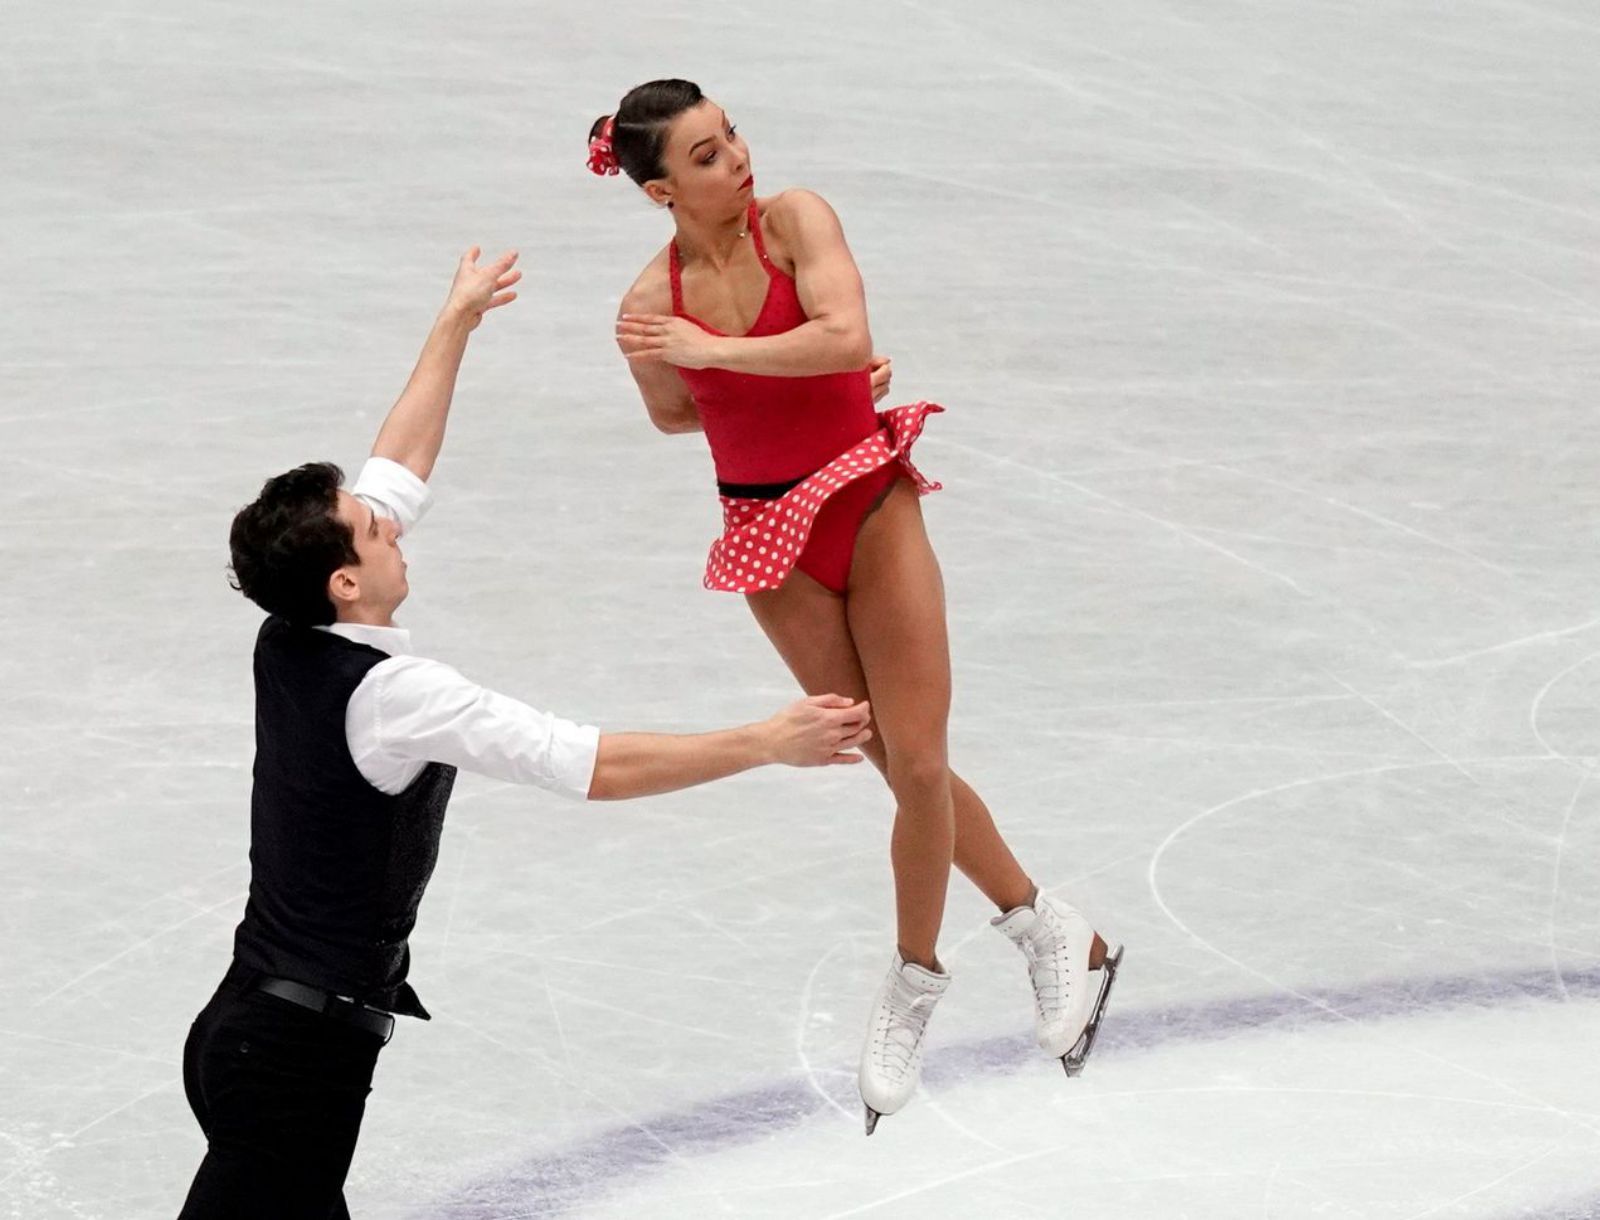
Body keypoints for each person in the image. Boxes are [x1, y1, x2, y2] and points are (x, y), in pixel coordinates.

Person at [179, 247, 874, 1218]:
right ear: (345, 581)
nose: (392, 526)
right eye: (372, 532)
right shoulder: (398, 696)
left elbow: (398, 464)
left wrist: (456, 319)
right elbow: (587, 762)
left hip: (259, 1031)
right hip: (292, 1061)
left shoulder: (290, 630)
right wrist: (764, 740)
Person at [591, 80, 1123, 1133]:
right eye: (705, 156)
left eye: (731, 134)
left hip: (867, 498)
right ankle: (1051, 930)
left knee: (918, 762)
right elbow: (675, 414)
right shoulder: (649, 302)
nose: (737, 158)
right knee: (888, 760)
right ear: (660, 191)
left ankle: (913, 981)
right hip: (767, 536)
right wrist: (719, 369)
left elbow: (842, 336)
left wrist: (727, 354)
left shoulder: (797, 218)